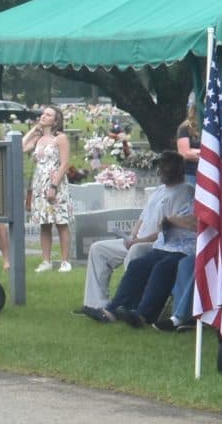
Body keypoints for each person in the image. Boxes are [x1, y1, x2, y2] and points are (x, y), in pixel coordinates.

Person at [78, 159, 197, 325]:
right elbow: (143, 217)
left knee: (153, 263)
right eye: (161, 169)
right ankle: (104, 307)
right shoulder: (159, 191)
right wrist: (132, 237)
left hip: (166, 243)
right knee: (102, 251)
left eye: (165, 169)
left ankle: (139, 312)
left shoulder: (187, 193)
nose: (161, 173)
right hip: (153, 243)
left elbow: (181, 225)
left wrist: (139, 240)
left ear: (178, 171)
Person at [23, 106, 74, 271]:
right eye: (43, 113)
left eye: (48, 114)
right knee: (44, 224)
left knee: (61, 222)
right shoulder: (38, 139)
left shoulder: (60, 138)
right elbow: (21, 147)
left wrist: (54, 185)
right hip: (39, 184)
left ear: (56, 120)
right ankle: (46, 261)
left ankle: (65, 261)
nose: (43, 116)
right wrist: (33, 130)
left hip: (55, 184)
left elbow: (65, 164)